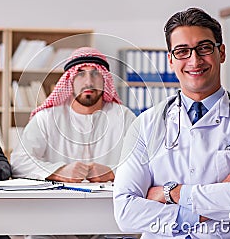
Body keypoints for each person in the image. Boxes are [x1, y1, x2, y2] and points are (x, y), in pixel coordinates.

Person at [113, 7, 230, 238]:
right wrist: (215, 200)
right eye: (182, 51)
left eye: (204, 48)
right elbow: (126, 213)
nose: (194, 60)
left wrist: (170, 193)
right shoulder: (145, 124)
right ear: (171, 60)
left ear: (221, 52)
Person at [11, 46, 136, 183]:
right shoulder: (46, 118)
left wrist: (112, 172)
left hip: (109, 202)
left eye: (95, 74)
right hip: (58, 202)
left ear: (105, 79)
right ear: (70, 80)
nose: (88, 82)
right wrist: (59, 172)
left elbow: (144, 161)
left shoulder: (124, 117)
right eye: (80, 74)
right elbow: (19, 162)